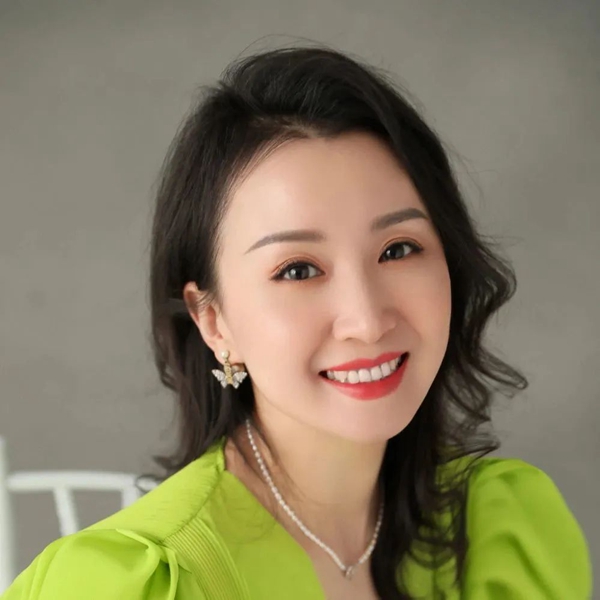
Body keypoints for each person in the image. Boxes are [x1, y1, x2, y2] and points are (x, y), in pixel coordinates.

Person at [2, 45, 592, 600]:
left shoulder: (504, 533)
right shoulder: (136, 584)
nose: (366, 320)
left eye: (398, 249)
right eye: (298, 269)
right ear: (213, 321)